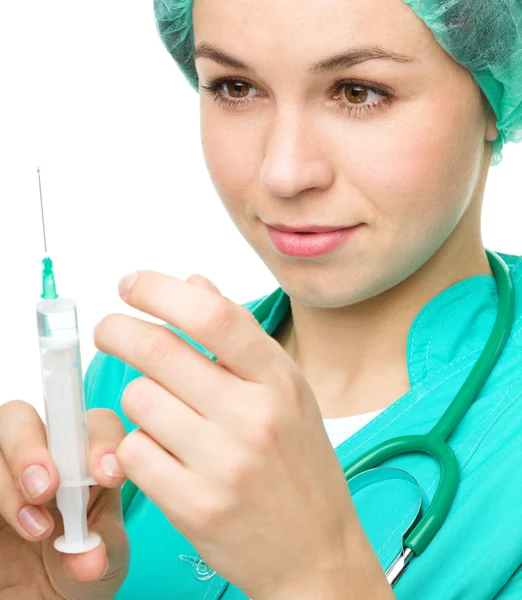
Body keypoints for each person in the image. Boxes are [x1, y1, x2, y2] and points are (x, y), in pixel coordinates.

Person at [1, 0, 521, 598]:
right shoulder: (136, 390)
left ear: (492, 86)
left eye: (357, 92)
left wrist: (320, 579)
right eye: (236, 86)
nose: (283, 171)